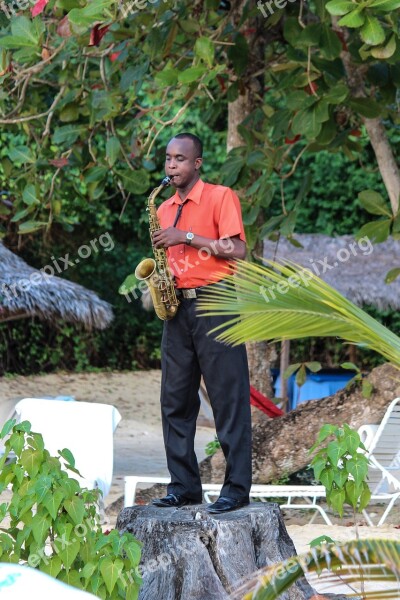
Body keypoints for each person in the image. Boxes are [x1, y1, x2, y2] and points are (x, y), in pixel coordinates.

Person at [151, 132, 252, 514]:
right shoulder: (161, 209)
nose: (171, 165)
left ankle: (237, 490)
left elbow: (237, 249)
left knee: (228, 399)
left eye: (180, 158)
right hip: (177, 308)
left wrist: (186, 237)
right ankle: (184, 487)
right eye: (167, 158)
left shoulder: (220, 196)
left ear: (197, 163)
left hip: (216, 303)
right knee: (174, 400)